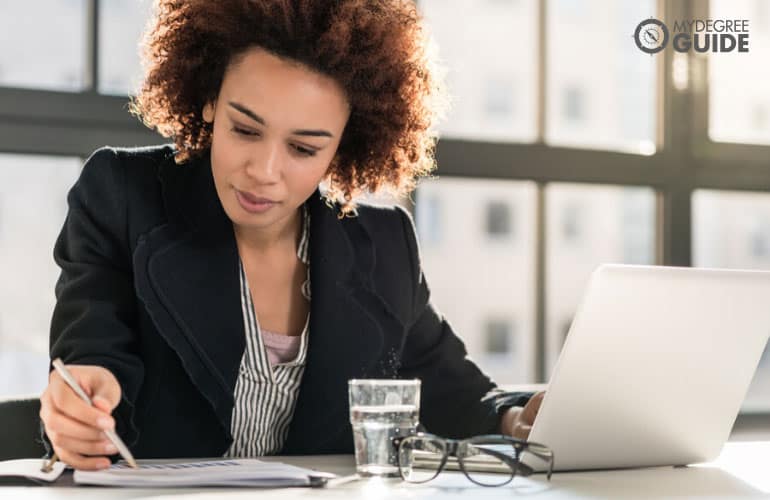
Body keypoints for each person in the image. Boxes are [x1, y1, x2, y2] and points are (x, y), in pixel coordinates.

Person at [39, 0, 544, 470]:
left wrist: (515, 419)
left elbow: (452, 391)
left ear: (345, 145)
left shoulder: (384, 245)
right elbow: (93, 352)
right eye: (245, 130)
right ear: (210, 100)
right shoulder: (123, 197)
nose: (265, 170)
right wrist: (87, 399)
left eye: (303, 149)